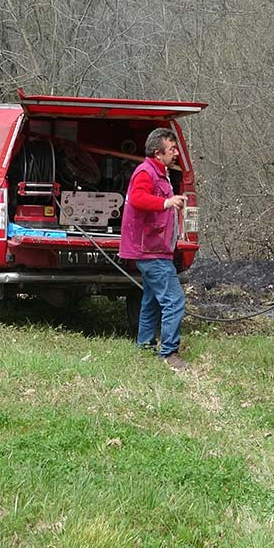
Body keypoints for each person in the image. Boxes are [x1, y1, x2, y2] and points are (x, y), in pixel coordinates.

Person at [119, 128, 188, 371]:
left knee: (151, 301)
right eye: (172, 149)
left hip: (157, 249)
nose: (176, 153)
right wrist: (166, 202)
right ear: (158, 153)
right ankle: (170, 353)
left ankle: (145, 346)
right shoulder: (145, 172)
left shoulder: (161, 173)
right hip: (149, 250)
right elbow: (137, 198)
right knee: (174, 301)